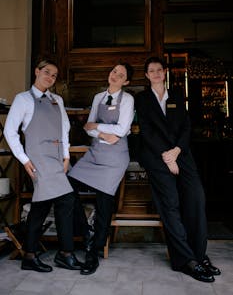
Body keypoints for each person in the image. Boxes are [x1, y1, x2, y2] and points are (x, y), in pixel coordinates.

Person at [135, 56, 221, 282]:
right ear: (146, 75)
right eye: (151, 70)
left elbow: (186, 126)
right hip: (156, 156)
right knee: (170, 204)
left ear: (164, 73)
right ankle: (185, 260)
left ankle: (199, 255)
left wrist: (176, 151)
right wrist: (166, 155)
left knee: (196, 198)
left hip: (181, 154)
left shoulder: (176, 95)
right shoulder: (142, 99)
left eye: (159, 70)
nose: (155, 73)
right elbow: (146, 131)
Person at [4, 59, 84, 272]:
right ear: (37, 71)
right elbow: (9, 132)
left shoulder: (56, 99)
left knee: (42, 206)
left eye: (54, 75)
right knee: (66, 200)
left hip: (57, 160)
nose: (50, 77)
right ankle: (64, 254)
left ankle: (31, 255)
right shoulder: (23, 99)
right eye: (47, 72)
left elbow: (64, 130)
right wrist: (24, 160)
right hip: (38, 159)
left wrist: (66, 157)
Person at [68, 62, 134, 275]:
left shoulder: (128, 99)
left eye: (121, 74)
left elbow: (123, 129)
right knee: (67, 186)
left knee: (104, 201)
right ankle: (87, 233)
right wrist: (105, 134)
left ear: (126, 82)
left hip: (115, 158)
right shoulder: (98, 97)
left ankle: (93, 252)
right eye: (114, 71)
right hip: (95, 154)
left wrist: (97, 127)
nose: (115, 75)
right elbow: (88, 128)